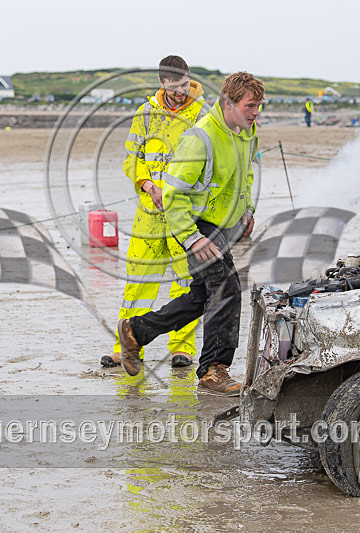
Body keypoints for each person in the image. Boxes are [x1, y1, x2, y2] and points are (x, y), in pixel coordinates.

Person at [117, 72, 264, 396]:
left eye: (258, 106)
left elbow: (246, 177)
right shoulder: (201, 138)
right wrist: (192, 237)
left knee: (200, 296)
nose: (256, 113)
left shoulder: (246, 131)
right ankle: (213, 370)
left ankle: (135, 332)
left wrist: (248, 211)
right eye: (250, 106)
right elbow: (172, 193)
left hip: (222, 224)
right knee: (227, 288)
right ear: (229, 103)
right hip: (196, 224)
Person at [102, 55, 208, 370]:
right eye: (174, 86)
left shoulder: (203, 114)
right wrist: (147, 185)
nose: (181, 91)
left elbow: (209, 163)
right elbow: (131, 158)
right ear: (162, 83)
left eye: (185, 84)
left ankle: (182, 348)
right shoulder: (145, 113)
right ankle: (126, 346)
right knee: (138, 281)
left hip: (185, 213)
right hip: (149, 213)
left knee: (186, 282)